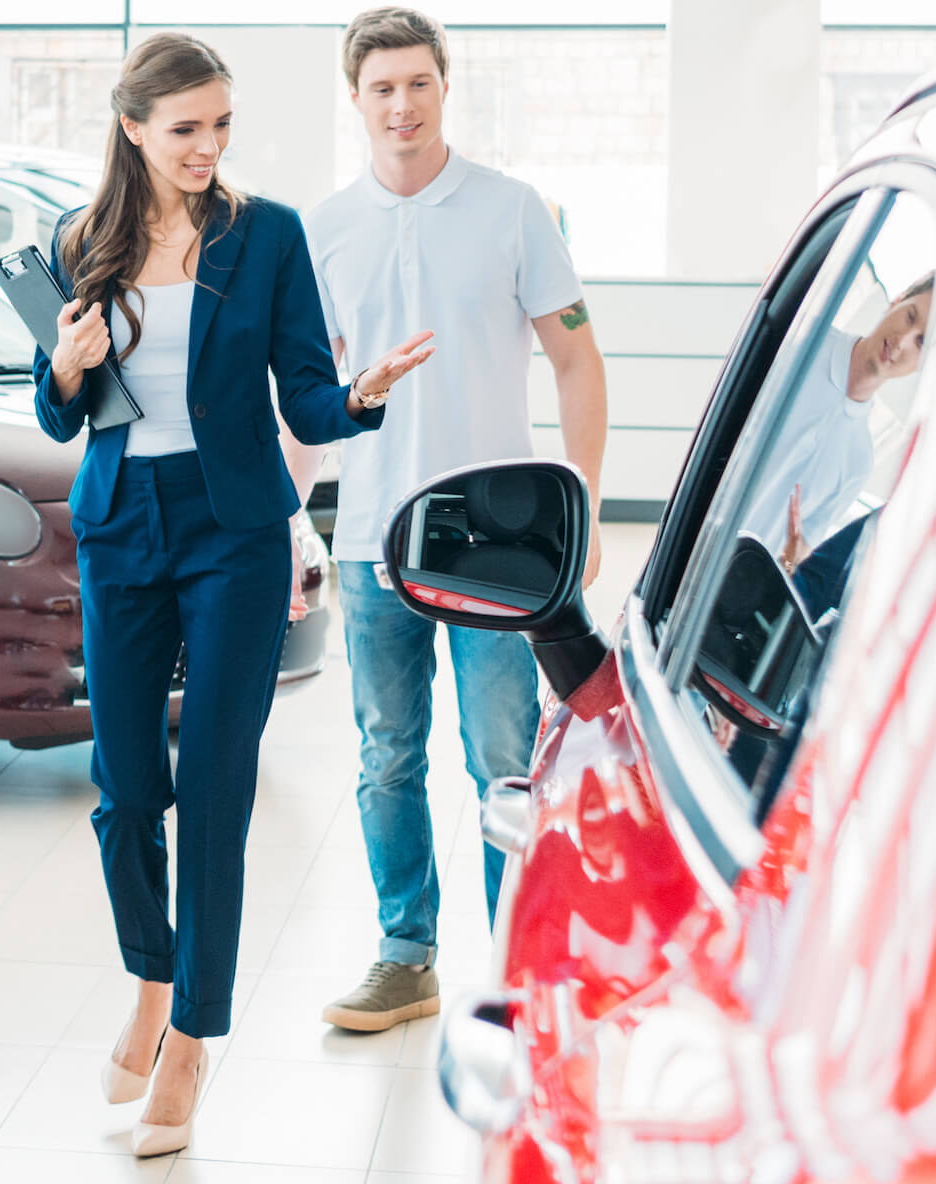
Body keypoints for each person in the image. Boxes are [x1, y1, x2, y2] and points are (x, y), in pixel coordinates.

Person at [33, 32, 436, 1158]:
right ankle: (153, 977)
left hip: (237, 532)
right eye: (185, 128)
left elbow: (305, 396)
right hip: (122, 525)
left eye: (221, 126)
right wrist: (63, 368)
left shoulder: (267, 237)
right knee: (123, 789)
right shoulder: (83, 242)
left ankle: (195, 1036)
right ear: (133, 129)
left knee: (212, 788)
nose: (207, 147)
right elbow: (62, 415)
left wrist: (359, 395)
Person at [304, 6, 610, 1033]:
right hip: (370, 539)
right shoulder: (323, 229)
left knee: (503, 758)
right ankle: (405, 955)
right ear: (355, 98)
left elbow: (576, 358)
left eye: (418, 84)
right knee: (387, 751)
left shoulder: (513, 209)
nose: (401, 105)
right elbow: (309, 398)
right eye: (381, 87)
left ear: (445, 86)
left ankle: (518, 962)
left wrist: (587, 502)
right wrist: (289, 515)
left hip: (496, 543)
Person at [731, 274, 934, 576]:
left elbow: (792, 559)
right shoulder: (801, 342)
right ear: (897, 299)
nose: (902, 341)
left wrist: (789, 560)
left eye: (921, 341)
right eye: (910, 317)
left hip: (727, 595)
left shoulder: (858, 461)